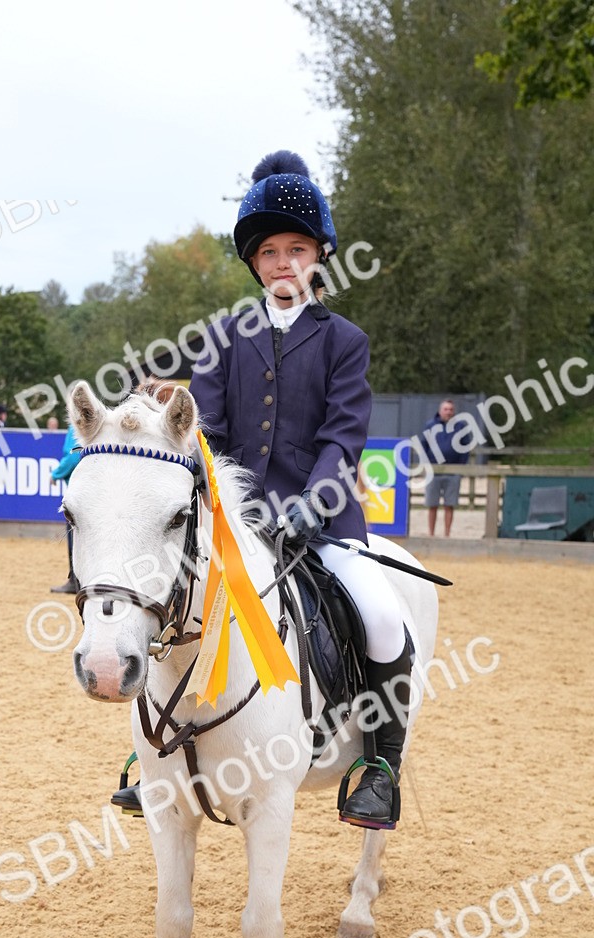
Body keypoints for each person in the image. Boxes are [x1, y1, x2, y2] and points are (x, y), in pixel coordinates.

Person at [150, 150, 410, 831]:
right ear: (254, 262)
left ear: (319, 255)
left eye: (297, 248)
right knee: (161, 602)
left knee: (383, 616)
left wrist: (309, 506)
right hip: (237, 530)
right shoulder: (222, 337)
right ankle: (153, 756)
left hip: (323, 527)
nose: (283, 262)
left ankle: (379, 768)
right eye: (269, 251)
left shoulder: (344, 341)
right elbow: (205, 434)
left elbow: (342, 437)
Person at [420, 399, 469, 536]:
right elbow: (423, 446)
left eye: (451, 409)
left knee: (450, 504)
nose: (448, 412)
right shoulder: (430, 426)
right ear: (440, 410)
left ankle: (447, 534)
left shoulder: (460, 426)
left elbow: (466, 448)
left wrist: (460, 467)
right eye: (446, 409)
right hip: (434, 471)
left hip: (453, 472)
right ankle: (431, 534)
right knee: (432, 505)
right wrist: (427, 465)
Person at [50, 427, 81, 594]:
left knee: (75, 536)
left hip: (80, 493)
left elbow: (73, 455)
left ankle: (75, 581)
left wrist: (56, 474)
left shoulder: (77, 426)